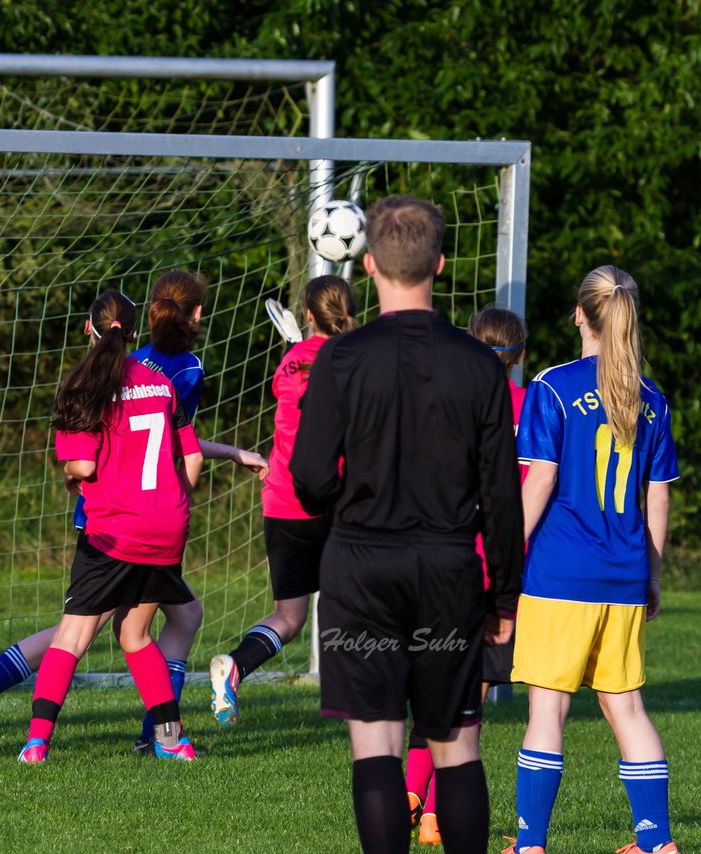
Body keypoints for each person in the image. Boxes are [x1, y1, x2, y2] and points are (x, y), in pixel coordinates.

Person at [0, 271, 265, 755]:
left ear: (92, 329)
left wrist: (229, 453)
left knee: (131, 623)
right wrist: (198, 478)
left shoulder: (109, 373)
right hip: (137, 518)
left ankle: (148, 732)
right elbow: (178, 451)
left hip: (111, 514)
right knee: (98, 630)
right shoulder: (178, 373)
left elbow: (100, 455)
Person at [290, 196, 523, 854]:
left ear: (368, 265)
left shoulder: (339, 359)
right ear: (440, 264)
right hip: (448, 570)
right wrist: (504, 597)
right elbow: (501, 494)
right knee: (454, 743)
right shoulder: (481, 365)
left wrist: (352, 511)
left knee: (376, 742)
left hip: (361, 570)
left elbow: (307, 474)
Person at [503, 266, 680, 854]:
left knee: (548, 711)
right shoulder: (652, 398)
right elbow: (658, 495)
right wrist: (651, 574)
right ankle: (657, 844)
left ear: (580, 314)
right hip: (626, 575)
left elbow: (540, 481)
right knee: (627, 708)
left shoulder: (553, 387)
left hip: (560, 574)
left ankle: (530, 845)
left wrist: (505, 559)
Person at [16, 290, 204, 763]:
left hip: (114, 531)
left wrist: (66, 476)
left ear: (89, 328)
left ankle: (37, 743)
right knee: (134, 634)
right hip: (168, 526)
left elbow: (80, 465)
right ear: (136, 333)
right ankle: (171, 741)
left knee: (71, 638)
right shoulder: (162, 385)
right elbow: (193, 455)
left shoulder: (83, 384)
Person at [208, 275, 357, 726]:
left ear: (308, 315)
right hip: (336, 498)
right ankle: (354, 696)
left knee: (289, 616)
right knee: (354, 600)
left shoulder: (290, 361)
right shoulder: (356, 360)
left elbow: (296, 389)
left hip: (282, 498)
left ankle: (236, 665)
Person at [407, 305, 529, 846]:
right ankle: (432, 812)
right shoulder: (535, 407)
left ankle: (409, 793)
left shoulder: (442, 400)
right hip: (502, 565)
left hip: (439, 558)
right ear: (518, 356)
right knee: (469, 694)